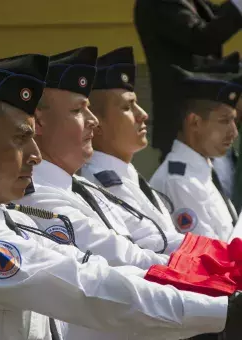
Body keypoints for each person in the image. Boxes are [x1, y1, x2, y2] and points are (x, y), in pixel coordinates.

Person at [0, 54, 237, 340]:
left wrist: (219, 296)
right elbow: (85, 289)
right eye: (21, 138)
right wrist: (225, 313)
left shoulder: (4, 215)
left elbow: (97, 269)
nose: (35, 155)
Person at [80, 46, 184, 255]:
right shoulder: (99, 183)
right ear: (95, 124)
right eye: (127, 107)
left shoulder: (126, 175)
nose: (143, 114)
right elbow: (154, 246)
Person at [134, 0, 242, 161]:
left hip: (211, 118)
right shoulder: (157, 4)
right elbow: (201, 39)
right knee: (187, 182)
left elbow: (218, 18)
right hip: (184, 121)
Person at [150, 66, 240, 241]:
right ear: (195, 122)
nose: (234, 132)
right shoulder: (180, 181)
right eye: (224, 121)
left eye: (234, 121)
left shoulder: (201, 172)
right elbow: (208, 255)